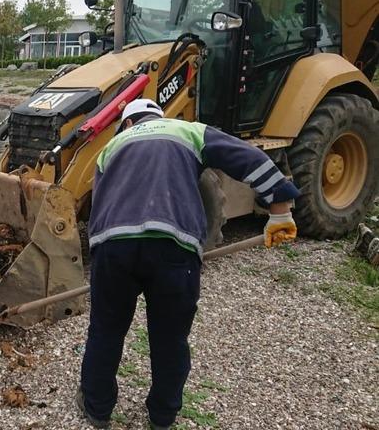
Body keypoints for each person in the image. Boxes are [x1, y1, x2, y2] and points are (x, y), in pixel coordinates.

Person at [76, 99, 299, 429]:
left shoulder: (111, 147)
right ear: (159, 117)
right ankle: (162, 417)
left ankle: (96, 409)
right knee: (170, 339)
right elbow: (249, 158)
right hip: (174, 247)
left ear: (126, 123)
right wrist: (280, 211)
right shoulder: (189, 131)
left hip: (114, 246)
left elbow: (101, 203)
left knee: (106, 331)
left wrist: (102, 258)